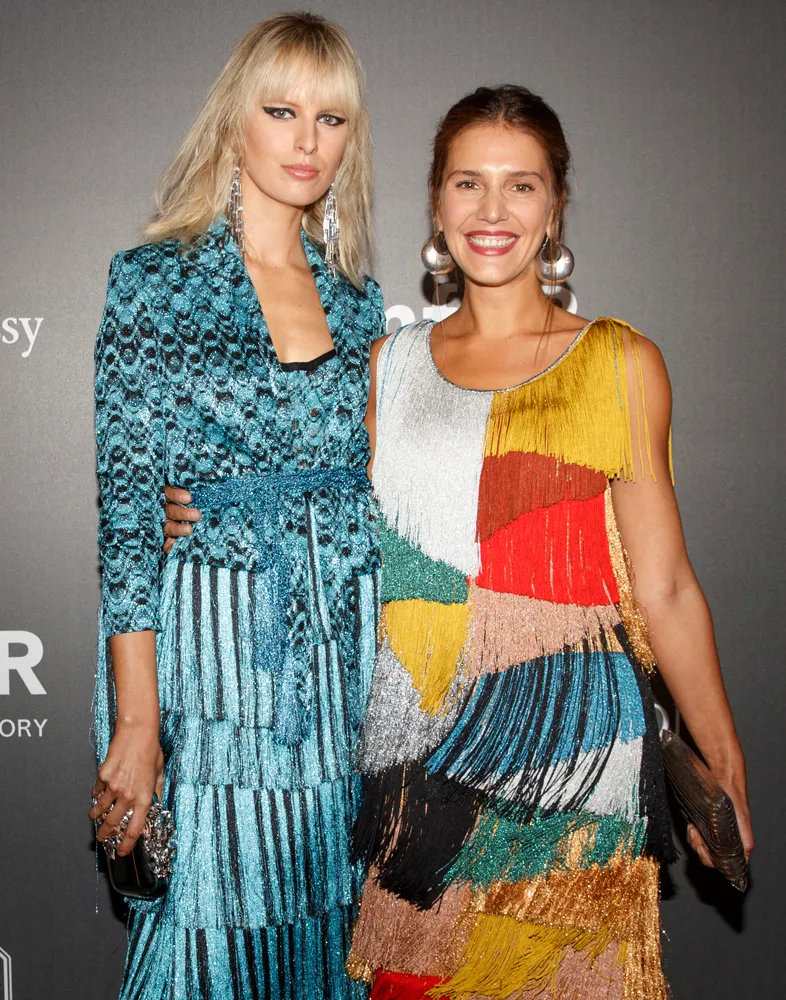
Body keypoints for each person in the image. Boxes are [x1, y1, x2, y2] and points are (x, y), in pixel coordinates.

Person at [342, 86, 753, 1000]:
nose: (492, 211)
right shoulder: (385, 369)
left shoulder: (620, 362)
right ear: (436, 203)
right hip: (418, 744)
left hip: (576, 756)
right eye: (468, 183)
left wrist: (721, 758)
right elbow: (335, 546)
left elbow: (665, 586)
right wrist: (200, 514)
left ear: (555, 206)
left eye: (520, 186)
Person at [89, 13, 384, 999]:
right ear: (235, 121)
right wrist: (138, 723)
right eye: (282, 111)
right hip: (213, 661)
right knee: (204, 934)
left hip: (341, 667)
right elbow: (129, 522)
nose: (307, 140)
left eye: (331, 119)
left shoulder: (359, 300)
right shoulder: (153, 284)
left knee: (332, 934)